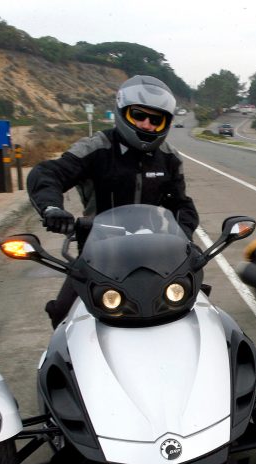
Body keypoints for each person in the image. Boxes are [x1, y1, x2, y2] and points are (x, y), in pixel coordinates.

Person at [27, 75, 199, 328]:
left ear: (166, 122)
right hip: (99, 256)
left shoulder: (169, 158)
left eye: (156, 119)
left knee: (197, 304)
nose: (147, 124)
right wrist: (52, 208)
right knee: (63, 313)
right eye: (138, 115)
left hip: (158, 254)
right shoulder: (96, 148)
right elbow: (47, 173)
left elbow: (181, 204)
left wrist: (184, 238)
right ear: (122, 113)